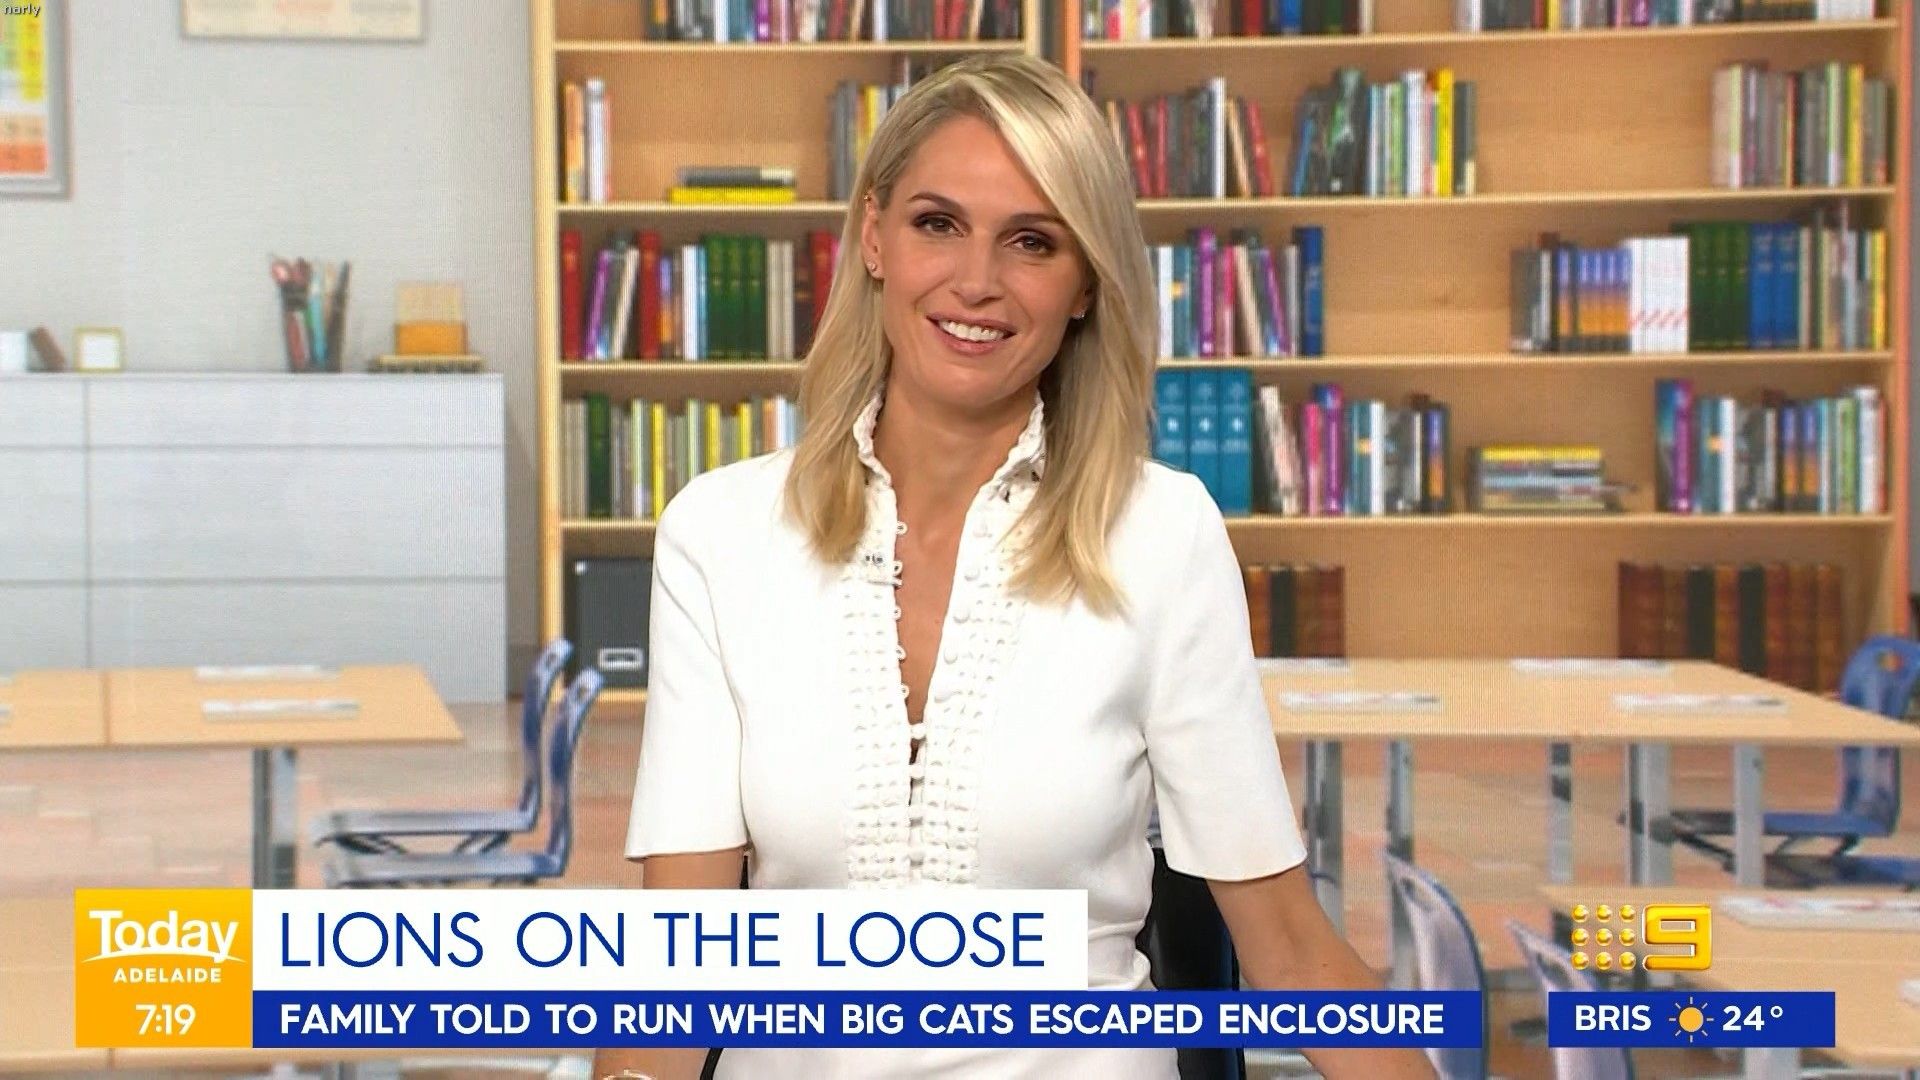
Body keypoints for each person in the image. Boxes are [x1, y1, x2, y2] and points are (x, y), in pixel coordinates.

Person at [601, 52, 1434, 1080]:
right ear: (873, 236)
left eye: (1032, 241)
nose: (977, 281)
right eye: (937, 224)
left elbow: (1293, 952)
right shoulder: (719, 533)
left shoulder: (1164, 534)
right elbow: (677, 974)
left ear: (1085, 283)